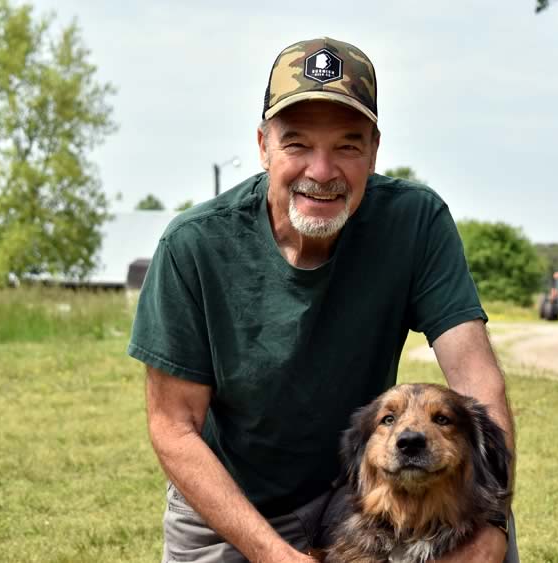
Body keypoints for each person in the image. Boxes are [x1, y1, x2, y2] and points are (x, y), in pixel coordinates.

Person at [128, 37, 519, 563]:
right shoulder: (193, 246)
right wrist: (273, 554)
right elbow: (173, 428)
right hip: (230, 501)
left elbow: (476, 381)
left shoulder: (415, 222)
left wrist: (493, 522)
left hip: (358, 490)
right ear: (263, 144)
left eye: (347, 146)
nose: (321, 170)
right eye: (297, 144)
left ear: (374, 150)